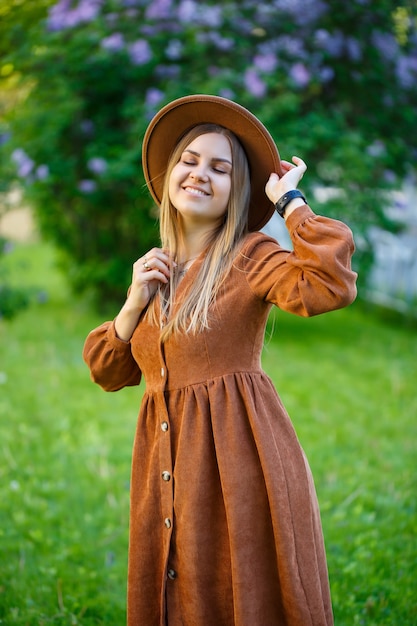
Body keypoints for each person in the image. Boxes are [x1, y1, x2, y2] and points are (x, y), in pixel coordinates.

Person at [83, 94, 357, 626]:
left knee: (237, 587)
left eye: (220, 167)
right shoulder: (156, 270)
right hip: (167, 469)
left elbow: (327, 284)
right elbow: (108, 370)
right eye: (189, 160)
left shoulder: (250, 255)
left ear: (237, 190)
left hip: (237, 468)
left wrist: (292, 203)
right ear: (169, 176)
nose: (200, 174)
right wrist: (133, 301)